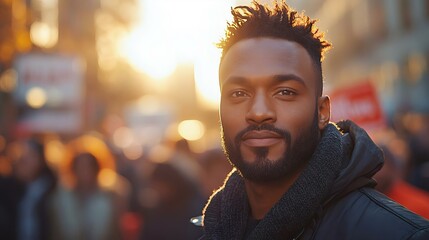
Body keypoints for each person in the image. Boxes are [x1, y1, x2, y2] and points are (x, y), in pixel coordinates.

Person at [195, 1, 429, 239]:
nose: (258, 112)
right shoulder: (212, 228)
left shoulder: (402, 234)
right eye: (239, 93)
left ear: (322, 112)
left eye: (285, 92)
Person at [50, 152, 120, 240]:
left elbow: (114, 232)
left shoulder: (109, 199)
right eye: (80, 167)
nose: (84, 171)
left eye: (89, 166)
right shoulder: (61, 199)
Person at [0, 138, 57, 240]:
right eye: (21, 156)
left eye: (31, 156)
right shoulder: (6, 189)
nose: (24, 161)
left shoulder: (51, 189)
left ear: (41, 160)